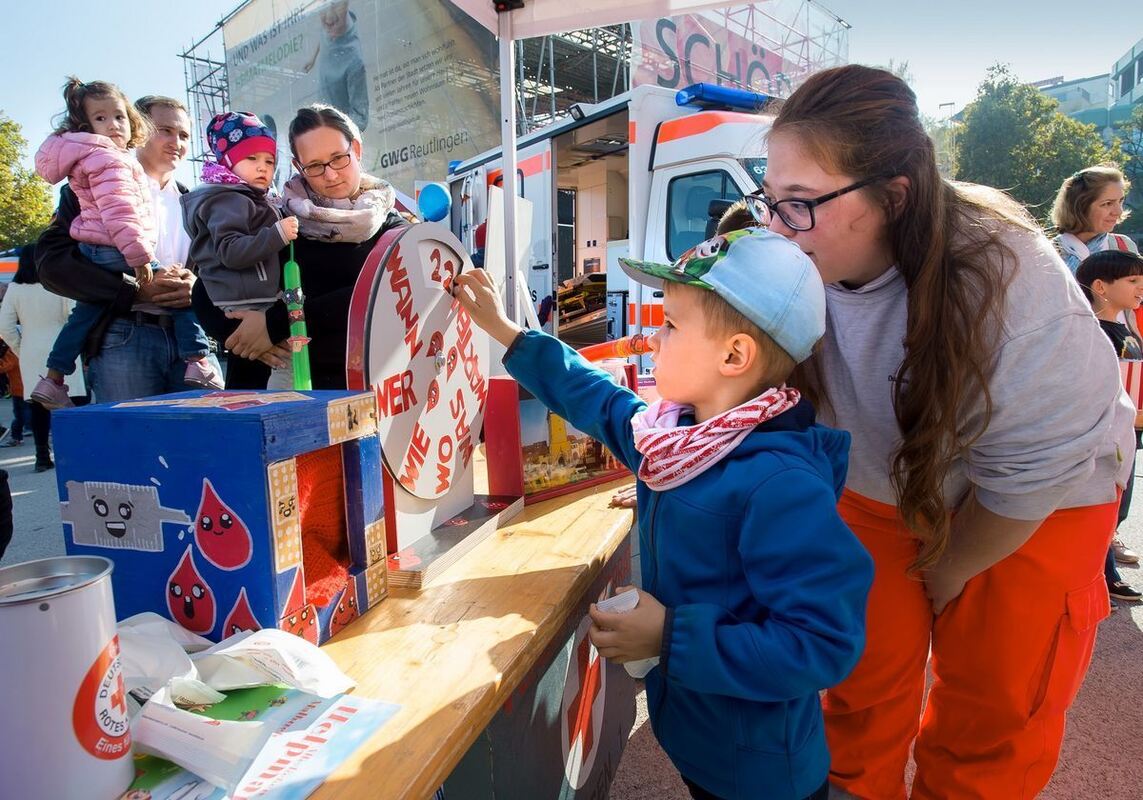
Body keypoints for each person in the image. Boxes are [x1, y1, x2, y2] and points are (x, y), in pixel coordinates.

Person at [753, 65, 1135, 800]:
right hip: (877, 483)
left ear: (895, 196)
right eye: (771, 198)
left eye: (799, 204)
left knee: (994, 708)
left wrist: (950, 568)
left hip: (1036, 504)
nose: (776, 227)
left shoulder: (1009, 279)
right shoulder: (799, 254)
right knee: (855, 683)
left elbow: (1032, 472)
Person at [453, 230, 874, 800]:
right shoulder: (675, 438)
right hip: (700, 738)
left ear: (734, 355)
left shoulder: (781, 486)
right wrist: (508, 333)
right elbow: (599, 399)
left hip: (761, 773)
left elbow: (822, 642)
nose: (652, 338)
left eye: (672, 325)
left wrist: (670, 635)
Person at [30, 77, 218, 409]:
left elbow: (219, 271)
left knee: (198, 448)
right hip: (123, 338)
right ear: (138, 128)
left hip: (189, 342)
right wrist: (131, 289)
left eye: (184, 135)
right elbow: (51, 263)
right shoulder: (89, 185)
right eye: (165, 130)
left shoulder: (197, 202)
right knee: (134, 450)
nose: (177, 142)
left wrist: (196, 288)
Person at [192, 103, 405, 390]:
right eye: (315, 166)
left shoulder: (392, 229)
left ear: (356, 149)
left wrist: (275, 324)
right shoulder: (274, 218)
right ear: (297, 166)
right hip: (264, 388)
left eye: (339, 158)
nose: (330, 175)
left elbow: (380, 293)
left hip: (354, 392)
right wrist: (245, 337)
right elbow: (205, 289)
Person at [182, 111, 299, 389]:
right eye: (251, 158)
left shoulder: (254, 199)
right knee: (257, 390)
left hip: (259, 307)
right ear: (228, 163)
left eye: (269, 161)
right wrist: (277, 234)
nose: (263, 168)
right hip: (244, 307)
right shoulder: (230, 199)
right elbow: (229, 251)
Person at [1075, 249, 1143, 606]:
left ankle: (1102, 572)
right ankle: (1103, 575)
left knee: (1117, 507)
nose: (1140, 288)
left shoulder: (1126, 328)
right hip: (1104, 437)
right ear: (1100, 286)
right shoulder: (1094, 332)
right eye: (1132, 281)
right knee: (1101, 506)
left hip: (1128, 434)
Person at [0, 246, 86, 472]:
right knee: (70, 403)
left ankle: (41, 456)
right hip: (64, 349)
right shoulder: (59, 283)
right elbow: (73, 315)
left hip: (30, 351)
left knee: (38, 406)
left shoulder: (15, 289)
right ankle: (72, 453)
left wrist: (21, 349)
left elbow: (5, 327)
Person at [1052, 165, 1138, 274]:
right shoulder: (1048, 253)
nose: (1118, 211)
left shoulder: (1124, 246)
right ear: (1080, 207)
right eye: (1107, 204)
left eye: (1120, 201)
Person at [303, 1, 369, 132]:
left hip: (332, 129)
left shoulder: (354, 62)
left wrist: (333, 133)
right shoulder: (330, 27)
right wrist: (313, 58)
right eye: (324, 6)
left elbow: (361, 118)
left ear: (346, 3)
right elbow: (323, 35)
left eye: (335, 5)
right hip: (321, 117)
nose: (328, 17)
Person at [0, 339, 26, 447]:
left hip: (19, 389)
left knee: (20, 415)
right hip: (23, 387)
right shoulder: (24, 349)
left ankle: (16, 437)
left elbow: (5, 366)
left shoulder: (13, 352)